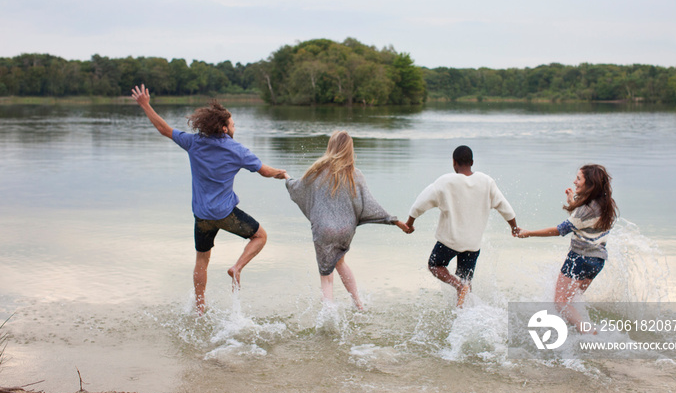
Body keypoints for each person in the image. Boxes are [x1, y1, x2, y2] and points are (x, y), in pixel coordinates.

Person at [131, 84, 286, 315]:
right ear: (224, 128)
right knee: (260, 236)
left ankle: (200, 308)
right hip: (225, 215)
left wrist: (145, 104)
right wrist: (281, 174)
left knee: (202, 259)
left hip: (202, 216)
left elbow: (163, 129)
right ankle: (237, 267)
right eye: (233, 124)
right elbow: (264, 171)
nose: (235, 127)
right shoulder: (238, 150)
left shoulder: (194, 143)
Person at [285, 131, 410, 310]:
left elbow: (298, 188)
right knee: (340, 261)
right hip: (345, 230)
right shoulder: (355, 174)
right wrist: (394, 221)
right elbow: (370, 204)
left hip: (324, 230)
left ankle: (329, 316)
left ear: (331, 147)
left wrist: (286, 179)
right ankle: (358, 304)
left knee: (326, 278)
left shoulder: (316, 170)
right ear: (349, 149)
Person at [404, 145, 518, 307]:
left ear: (454, 162)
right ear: (472, 162)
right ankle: (464, 311)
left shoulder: (445, 182)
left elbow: (419, 204)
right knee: (466, 278)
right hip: (473, 244)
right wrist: (514, 227)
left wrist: (410, 224)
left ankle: (458, 287)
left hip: (450, 242)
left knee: (435, 265)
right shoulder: (487, 182)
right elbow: (505, 208)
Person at [517, 164, 618, 333]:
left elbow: (559, 230)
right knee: (571, 301)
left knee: (560, 302)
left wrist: (529, 233)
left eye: (579, 178)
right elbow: (581, 221)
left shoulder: (585, 210)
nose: (574, 181)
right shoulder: (605, 205)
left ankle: (587, 331)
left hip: (579, 259)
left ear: (590, 184)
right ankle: (579, 331)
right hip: (597, 261)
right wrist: (572, 200)